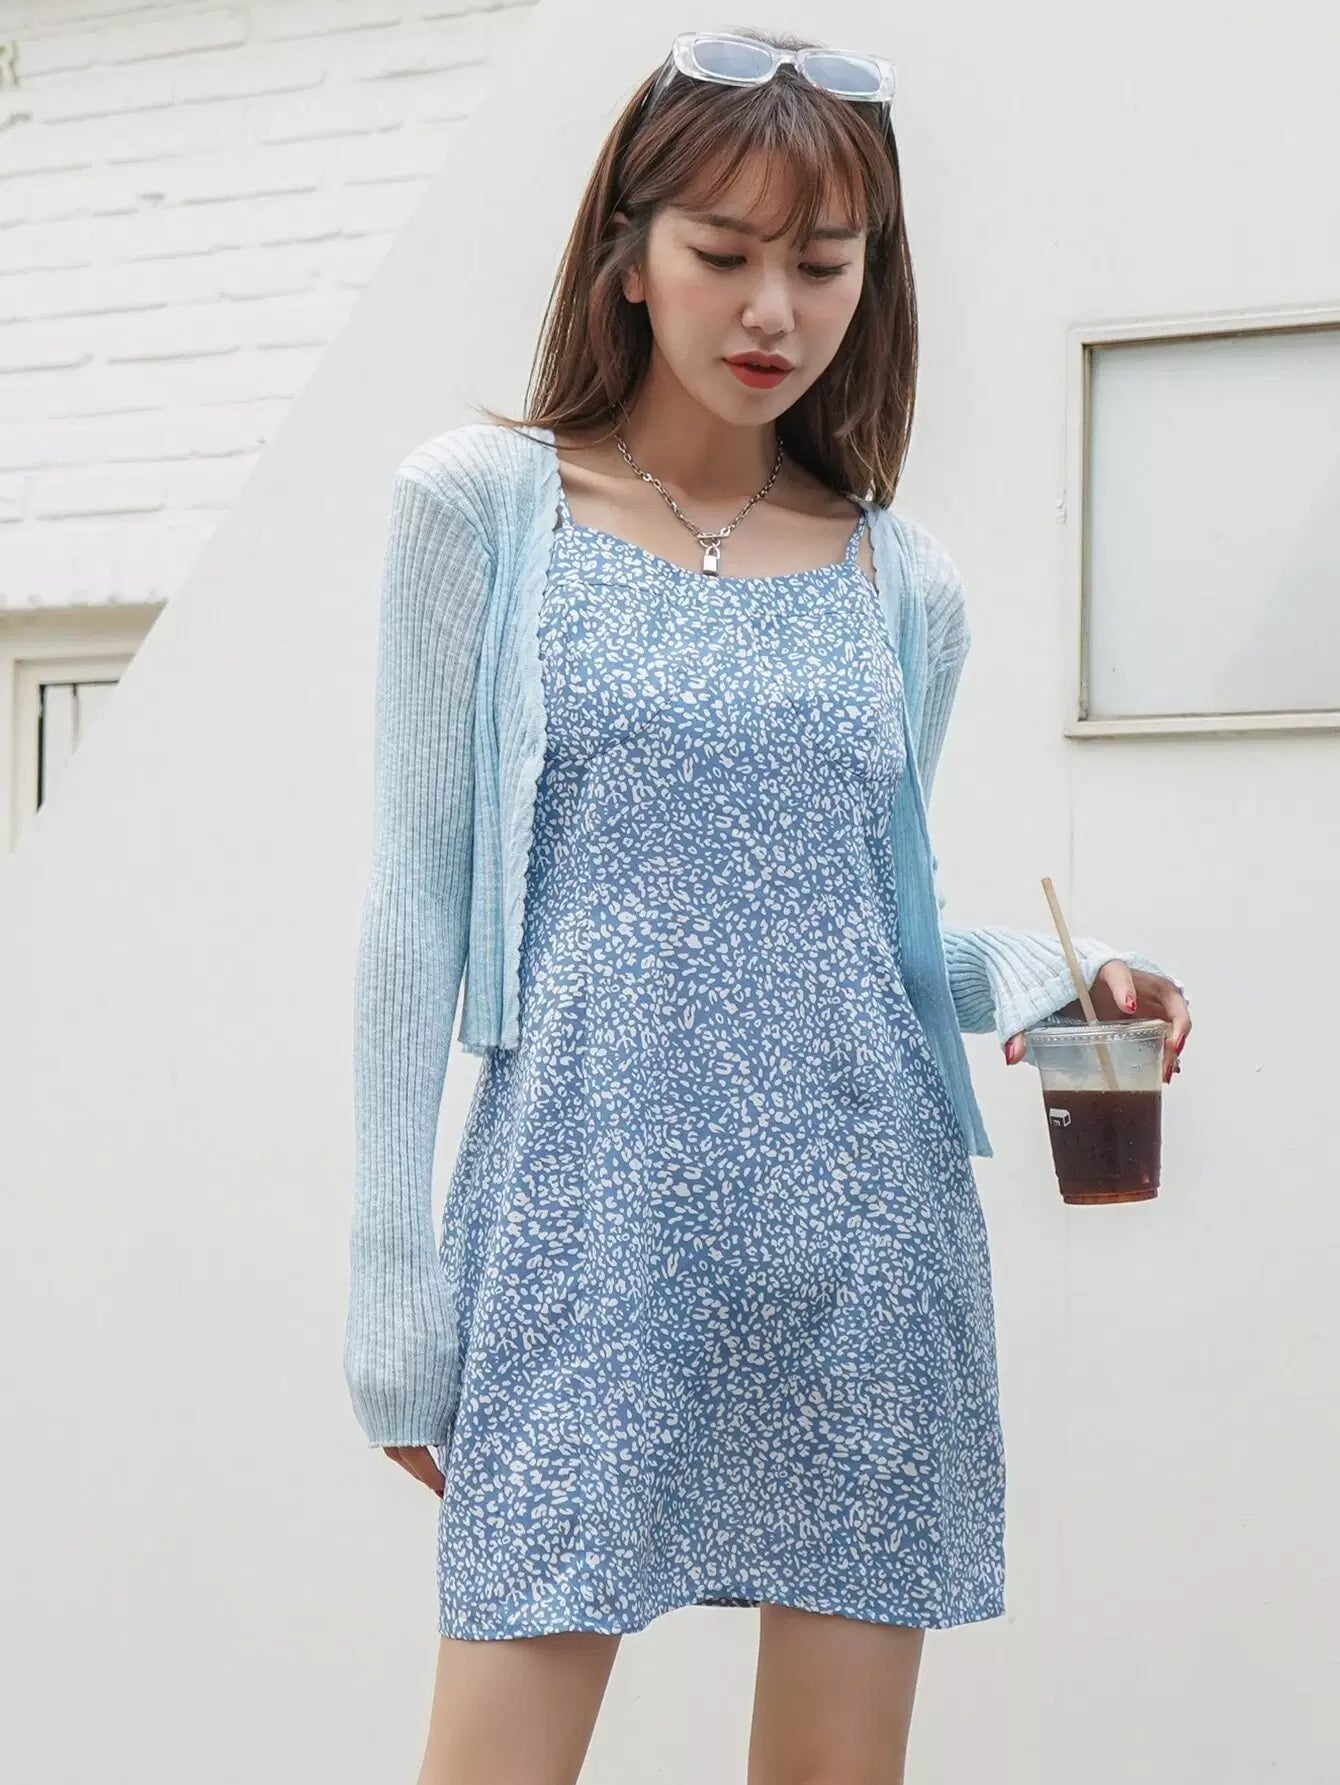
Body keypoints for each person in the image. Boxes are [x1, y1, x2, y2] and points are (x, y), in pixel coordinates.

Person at [344, 27, 1193, 1785]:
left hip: (862, 1242)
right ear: (628, 256)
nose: (771, 310)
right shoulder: (479, 513)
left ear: (874, 280)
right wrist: (391, 1281)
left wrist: (1073, 970)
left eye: (822, 264)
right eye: (724, 252)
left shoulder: (904, 581)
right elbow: (414, 909)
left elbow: (874, 930)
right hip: (585, 1227)